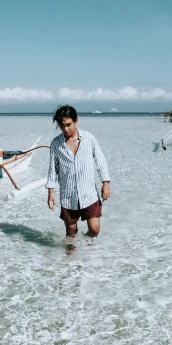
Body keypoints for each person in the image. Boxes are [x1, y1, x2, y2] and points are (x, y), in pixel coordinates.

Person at [46, 104, 111, 242]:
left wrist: (106, 183)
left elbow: (101, 161)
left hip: (89, 194)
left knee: (94, 230)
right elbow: (52, 170)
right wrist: (50, 193)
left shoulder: (89, 138)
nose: (66, 129)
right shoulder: (56, 144)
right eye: (62, 125)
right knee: (71, 235)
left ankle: (86, 245)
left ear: (76, 121)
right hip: (68, 196)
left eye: (69, 124)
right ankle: (70, 259)